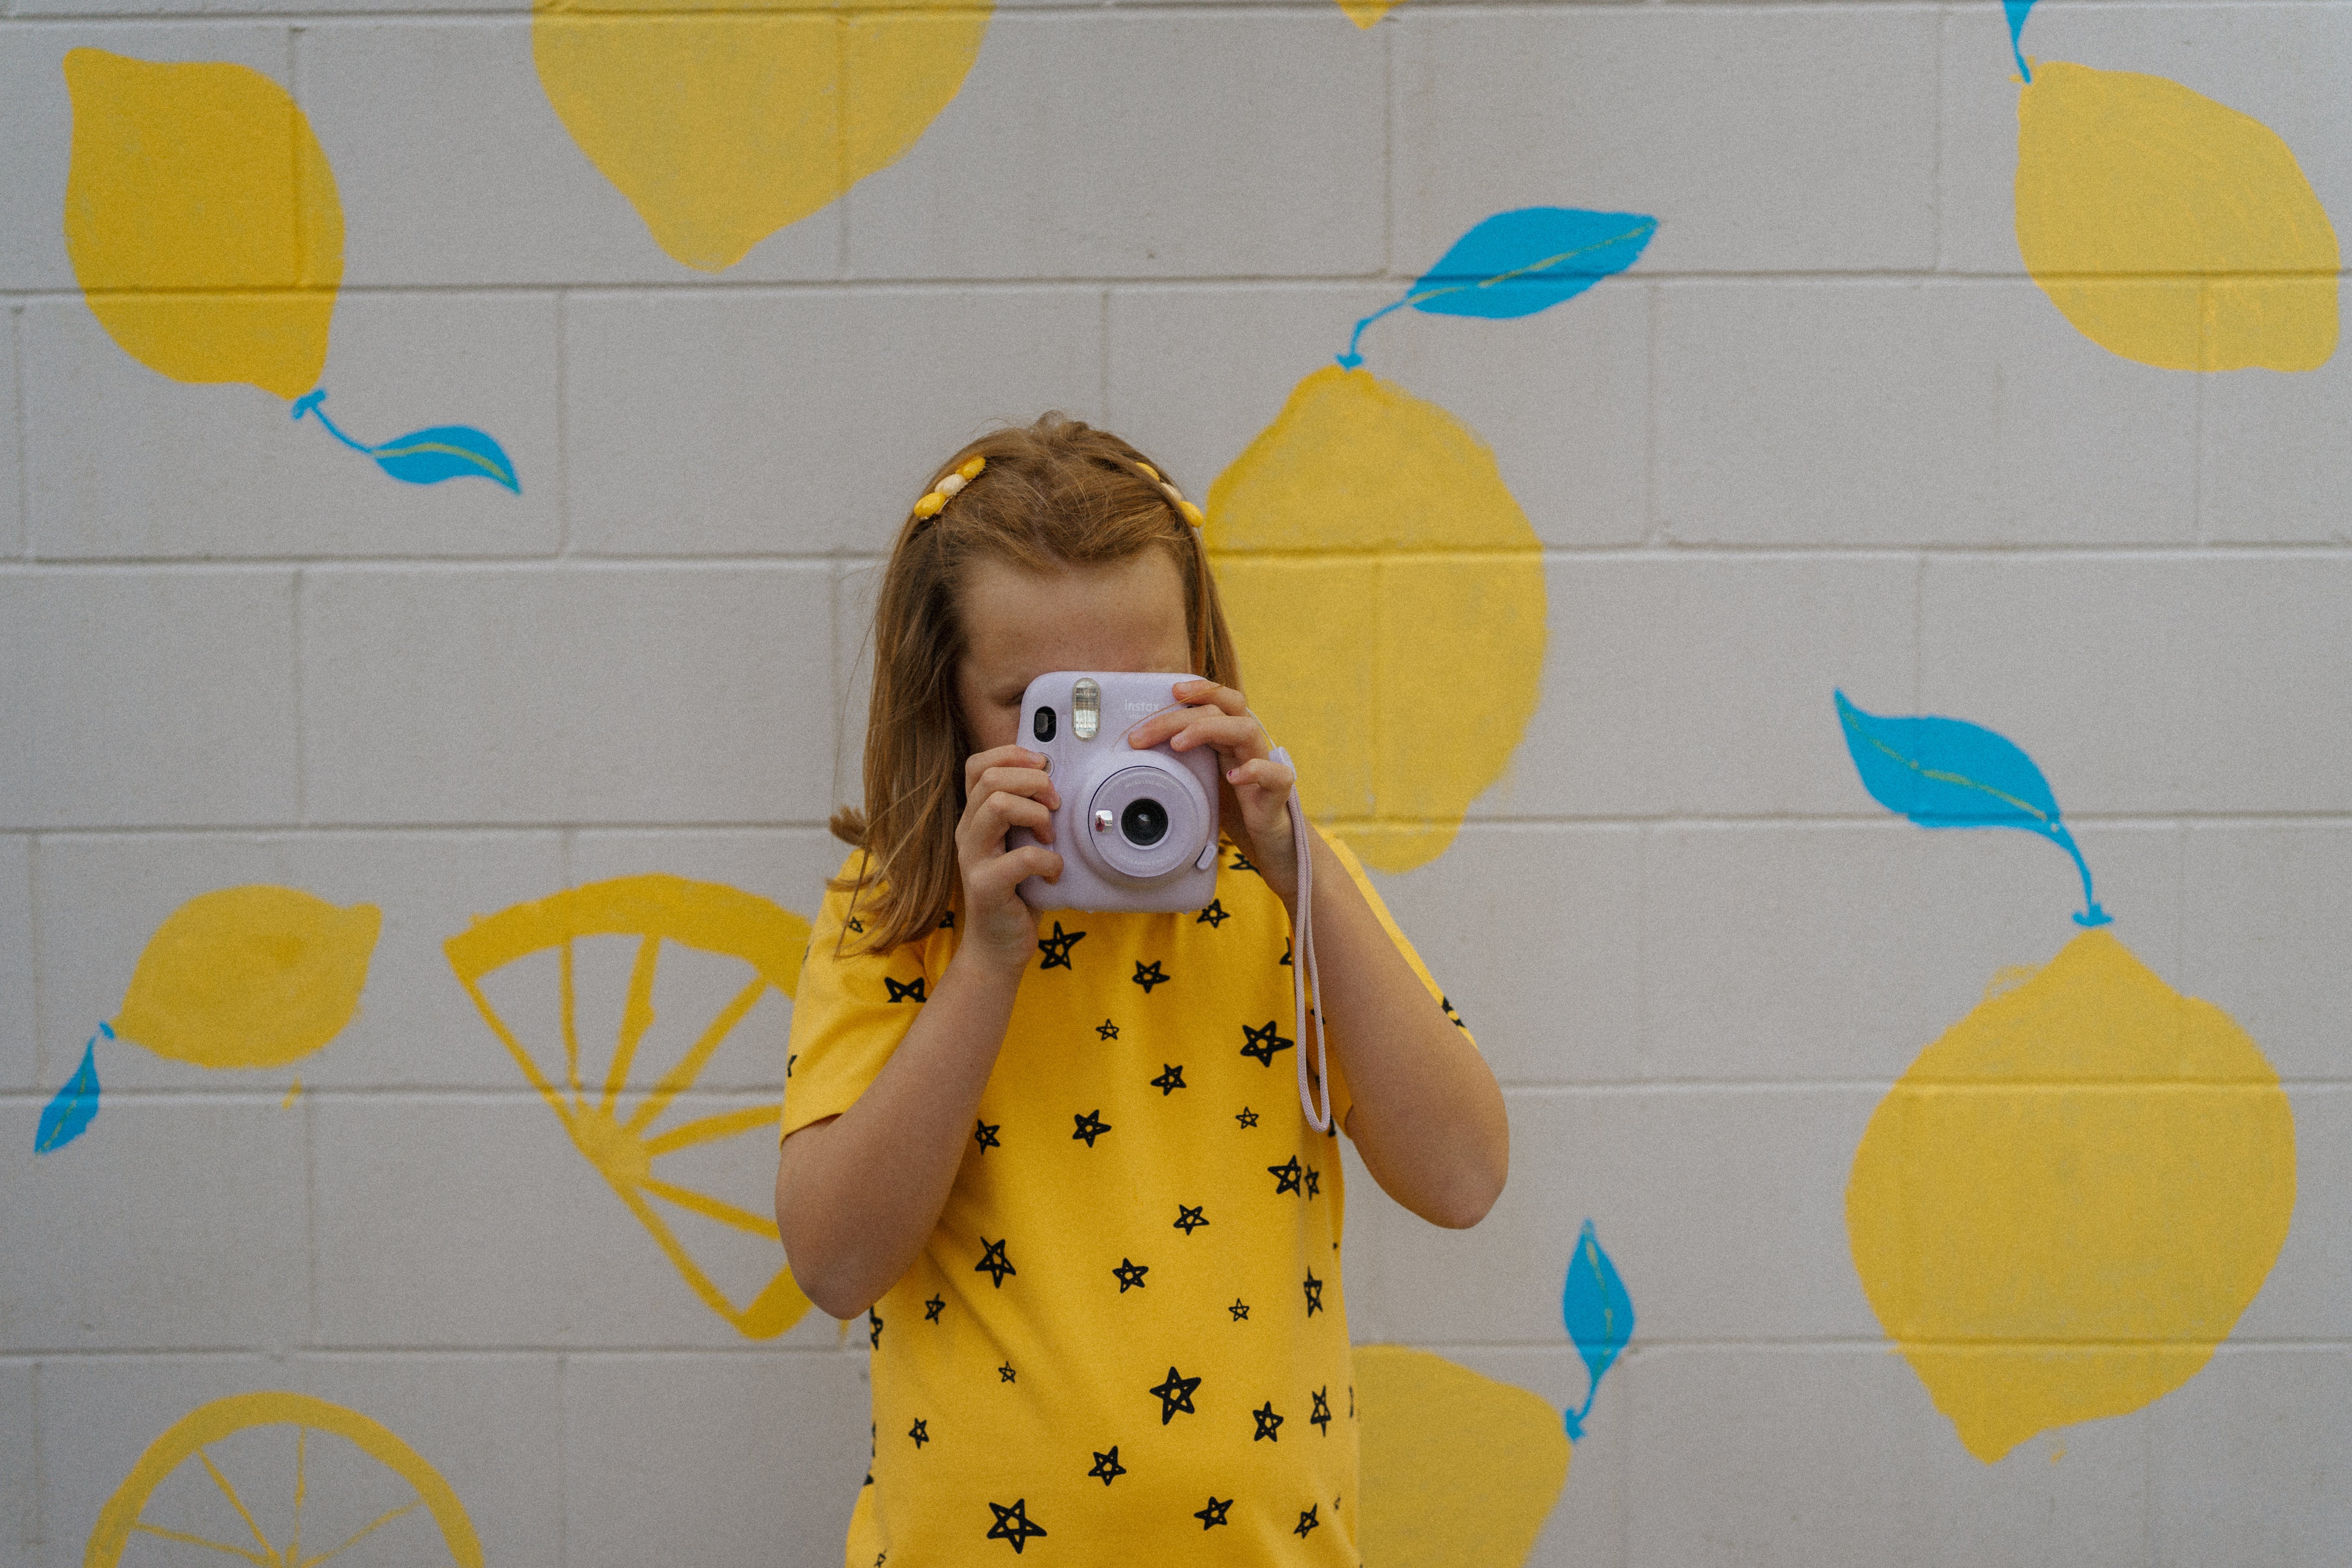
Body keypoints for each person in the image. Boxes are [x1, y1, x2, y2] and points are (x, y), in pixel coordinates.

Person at [774, 413, 1508, 1564]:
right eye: (1042, 711)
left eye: (1142, 695)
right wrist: (987, 961)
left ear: (1205, 666)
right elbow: (833, 1261)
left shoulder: (1285, 891)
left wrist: (1293, 870)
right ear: (946, 704)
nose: (1106, 751)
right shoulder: (898, 914)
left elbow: (1463, 1176)